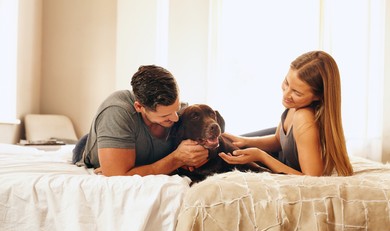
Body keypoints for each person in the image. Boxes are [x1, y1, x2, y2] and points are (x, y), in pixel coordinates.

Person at [219, 50, 353, 176]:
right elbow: (278, 140)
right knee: (222, 142)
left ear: (318, 97)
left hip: (281, 164)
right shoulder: (295, 106)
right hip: (278, 156)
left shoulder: (304, 118)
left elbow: (312, 179)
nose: (286, 94)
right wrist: (244, 141)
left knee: (218, 151)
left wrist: (261, 156)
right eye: (287, 83)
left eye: (297, 92)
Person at [77, 65, 209, 176]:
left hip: (139, 144)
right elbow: (119, 178)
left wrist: (227, 140)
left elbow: (206, 129)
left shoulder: (171, 109)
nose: (175, 118)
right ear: (139, 107)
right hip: (92, 145)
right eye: (165, 116)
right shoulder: (116, 112)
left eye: (177, 108)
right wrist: (176, 160)